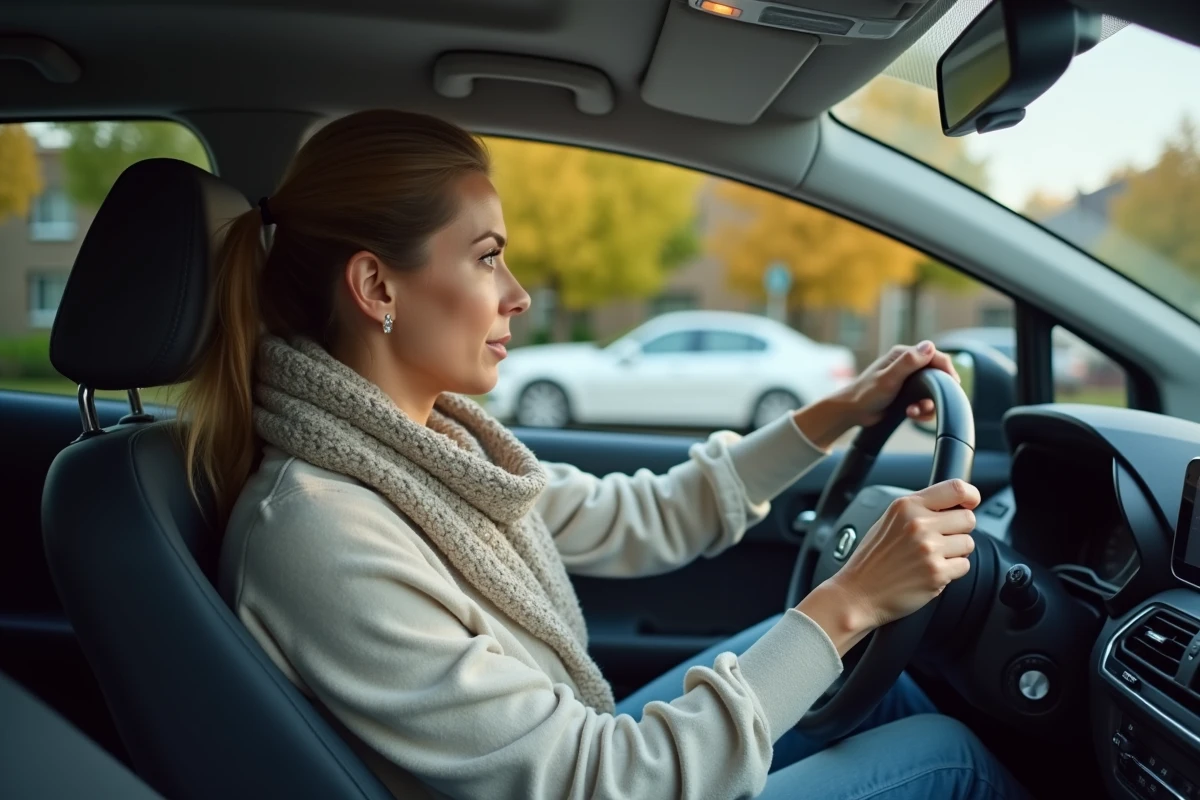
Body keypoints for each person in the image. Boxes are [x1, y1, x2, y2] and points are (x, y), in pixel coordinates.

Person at [183, 109, 1028, 799]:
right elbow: (598, 783)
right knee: (945, 760)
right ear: (377, 287)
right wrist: (850, 602)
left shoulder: (433, 455)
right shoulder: (318, 533)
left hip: (583, 764)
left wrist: (837, 414)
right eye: (487, 258)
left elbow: (651, 514)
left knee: (864, 680)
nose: (517, 294)